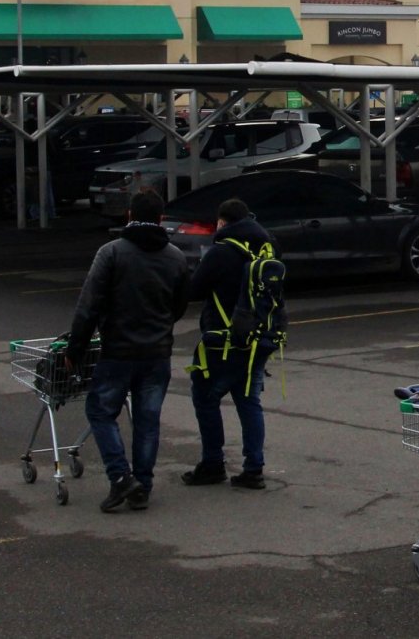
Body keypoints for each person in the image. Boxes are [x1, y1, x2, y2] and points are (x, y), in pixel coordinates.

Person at [65, 189, 189, 513]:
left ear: (129, 216)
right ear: (161, 218)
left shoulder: (112, 253)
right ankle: (142, 486)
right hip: (157, 352)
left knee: (101, 412)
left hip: (118, 351)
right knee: (148, 420)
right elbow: (179, 305)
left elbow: (88, 306)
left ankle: (121, 477)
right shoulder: (175, 256)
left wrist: (75, 347)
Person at [182, 197, 277, 490]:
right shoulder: (268, 247)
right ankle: (254, 468)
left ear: (223, 222)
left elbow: (194, 290)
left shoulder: (221, 253)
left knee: (205, 397)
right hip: (259, 339)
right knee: (249, 402)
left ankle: (213, 463)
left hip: (223, 340)